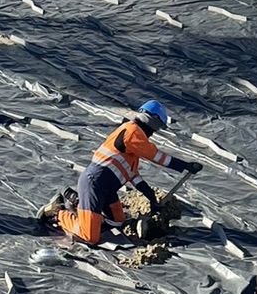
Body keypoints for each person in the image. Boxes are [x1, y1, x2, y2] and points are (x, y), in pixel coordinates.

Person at [55, 100, 200, 246]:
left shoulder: (132, 149)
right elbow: (156, 156)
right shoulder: (132, 132)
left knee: (117, 222)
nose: (155, 132)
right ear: (152, 120)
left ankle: (79, 202)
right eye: (157, 128)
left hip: (106, 190)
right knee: (90, 237)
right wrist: (185, 165)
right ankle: (58, 212)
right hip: (94, 184)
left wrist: (151, 198)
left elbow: (134, 176)